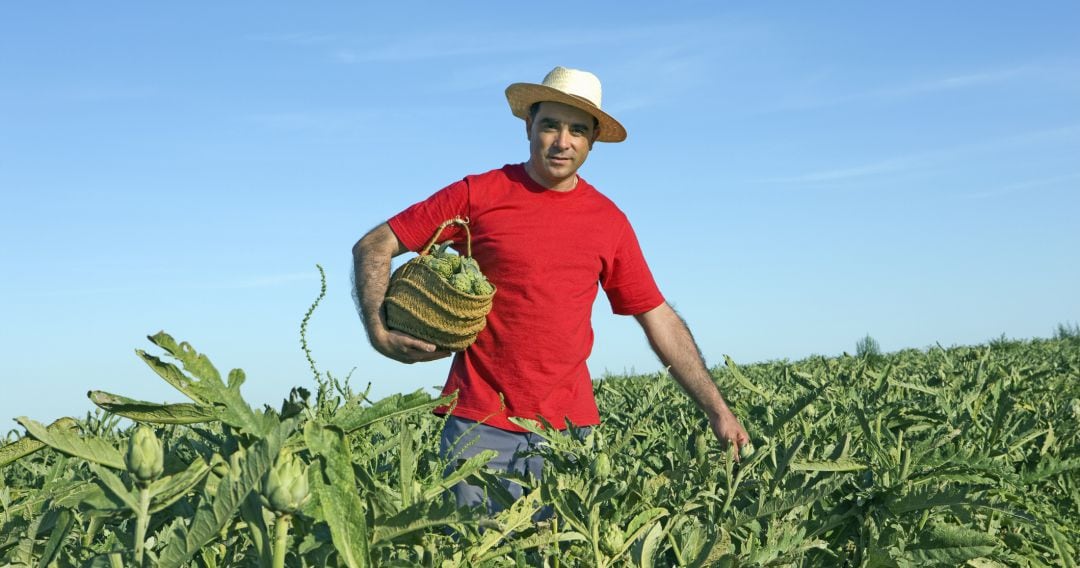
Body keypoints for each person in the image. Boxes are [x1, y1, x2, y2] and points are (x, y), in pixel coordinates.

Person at [352, 66, 749, 514]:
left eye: (577, 130)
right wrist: (379, 331)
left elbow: (656, 315)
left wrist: (718, 410)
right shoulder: (478, 194)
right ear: (529, 126)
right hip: (478, 428)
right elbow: (374, 245)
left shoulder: (608, 221)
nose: (563, 141)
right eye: (551, 126)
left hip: (569, 435)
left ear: (592, 140)